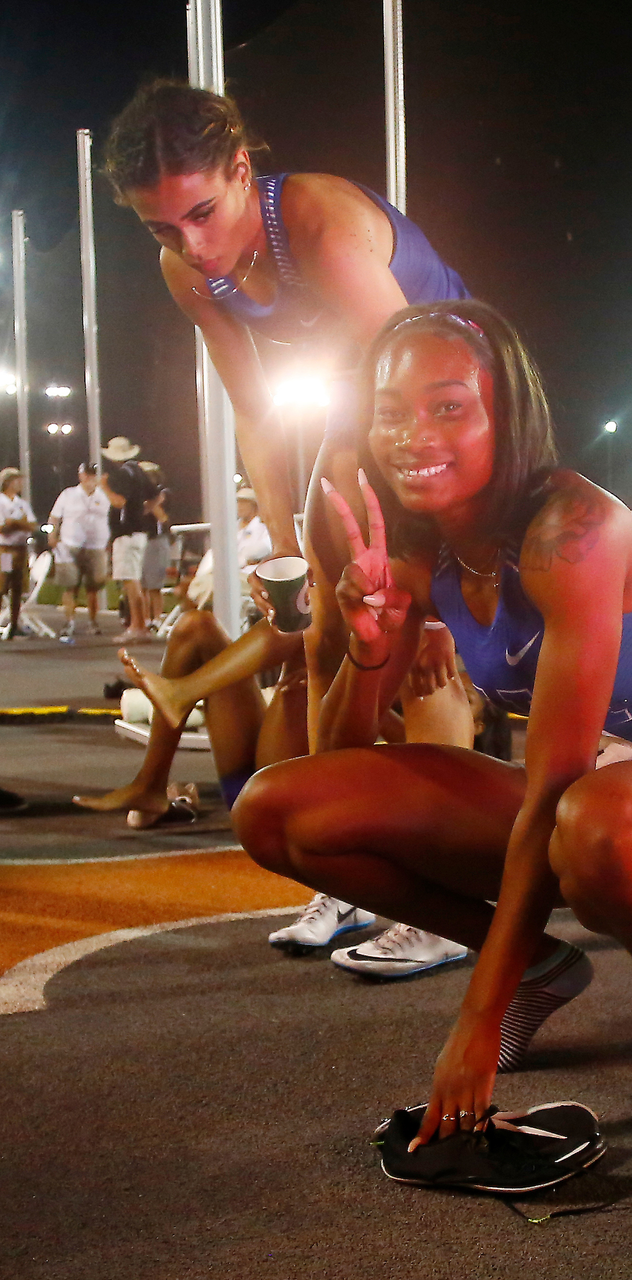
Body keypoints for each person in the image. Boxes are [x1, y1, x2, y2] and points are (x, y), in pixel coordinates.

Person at [231, 300, 632, 1136]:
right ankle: (544, 967)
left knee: (601, 816)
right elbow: (337, 771)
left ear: (505, 414)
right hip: (566, 811)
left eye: (447, 406)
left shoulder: (574, 530)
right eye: (392, 412)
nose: (414, 434)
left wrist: (473, 1025)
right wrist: (369, 646)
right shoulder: (418, 546)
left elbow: (560, 781)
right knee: (276, 808)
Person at [99, 80, 479, 971]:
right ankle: (351, 879)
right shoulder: (184, 264)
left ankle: (450, 903)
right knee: (316, 650)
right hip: (361, 417)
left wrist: (428, 590)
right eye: (162, 229)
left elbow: (416, 401)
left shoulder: (319, 223)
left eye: (200, 212)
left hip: (453, 411)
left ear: (241, 169)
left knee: (423, 650)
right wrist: (283, 553)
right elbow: (254, 410)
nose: (190, 244)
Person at [100, 436, 158, 643]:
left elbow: (118, 502)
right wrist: (141, 512)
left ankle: (137, 626)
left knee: (130, 580)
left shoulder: (120, 475)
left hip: (126, 533)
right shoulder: (139, 471)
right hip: (138, 531)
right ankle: (139, 625)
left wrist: (104, 487)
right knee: (134, 579)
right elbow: (156, 496)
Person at [48, 462, 111, 638]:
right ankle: (70, 622)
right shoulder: (68, 494)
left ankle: (92, 621)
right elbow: (54, 517)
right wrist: (52, 536)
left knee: (94, 586)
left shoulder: (105, 494)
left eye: (93, 474)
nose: (90, 478)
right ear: (80, 475)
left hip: (96, 546)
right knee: (70, 586)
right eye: (87, 474)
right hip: (70, 545)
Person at [0, 467, 37, 640]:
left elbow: (32, 525)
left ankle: (14, 625)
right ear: (7, 482)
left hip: (21, 550)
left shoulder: (22, 503)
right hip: (5, 550)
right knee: (2, 586)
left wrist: (15, 523)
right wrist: (19, 523)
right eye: (17, 480)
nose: (20, 483)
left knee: (17, 588)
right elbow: (3, 528)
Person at [138, 461, 172, 630]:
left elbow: (164, 519)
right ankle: (144, 620)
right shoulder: (137, 495)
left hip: (156, 540)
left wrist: (152, 503)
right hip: (139, 539)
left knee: (154, 585)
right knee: (141, 585)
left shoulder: (162, 493)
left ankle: (157, 618)